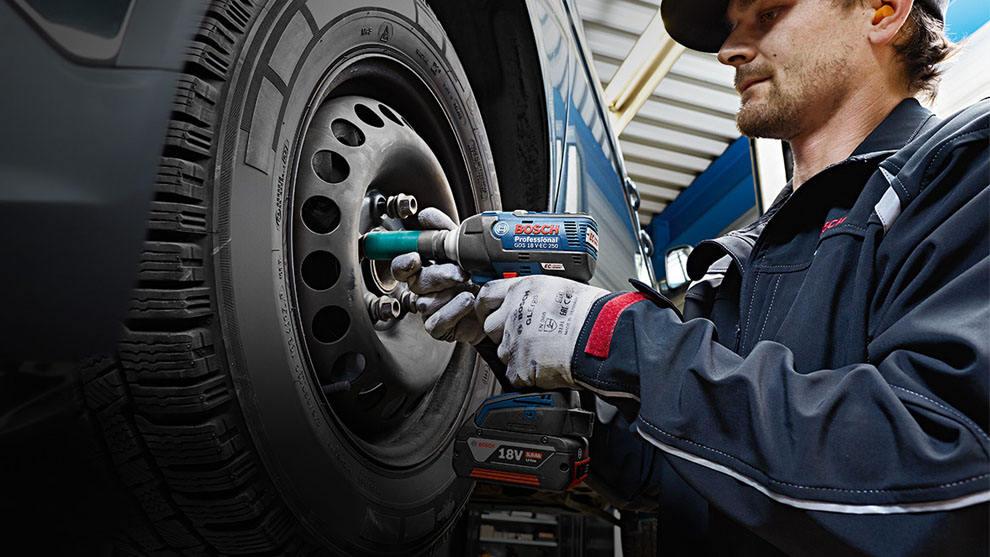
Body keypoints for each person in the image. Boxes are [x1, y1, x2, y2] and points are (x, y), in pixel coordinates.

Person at [393, 0, 989, 552]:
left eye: (768, 11)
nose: (730, 49)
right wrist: (516, 330)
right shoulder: (739, 262)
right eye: (731, 27)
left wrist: (611, 335)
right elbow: (667, 474)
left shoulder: (963, 176)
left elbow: (941, 465)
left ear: (882, 11)